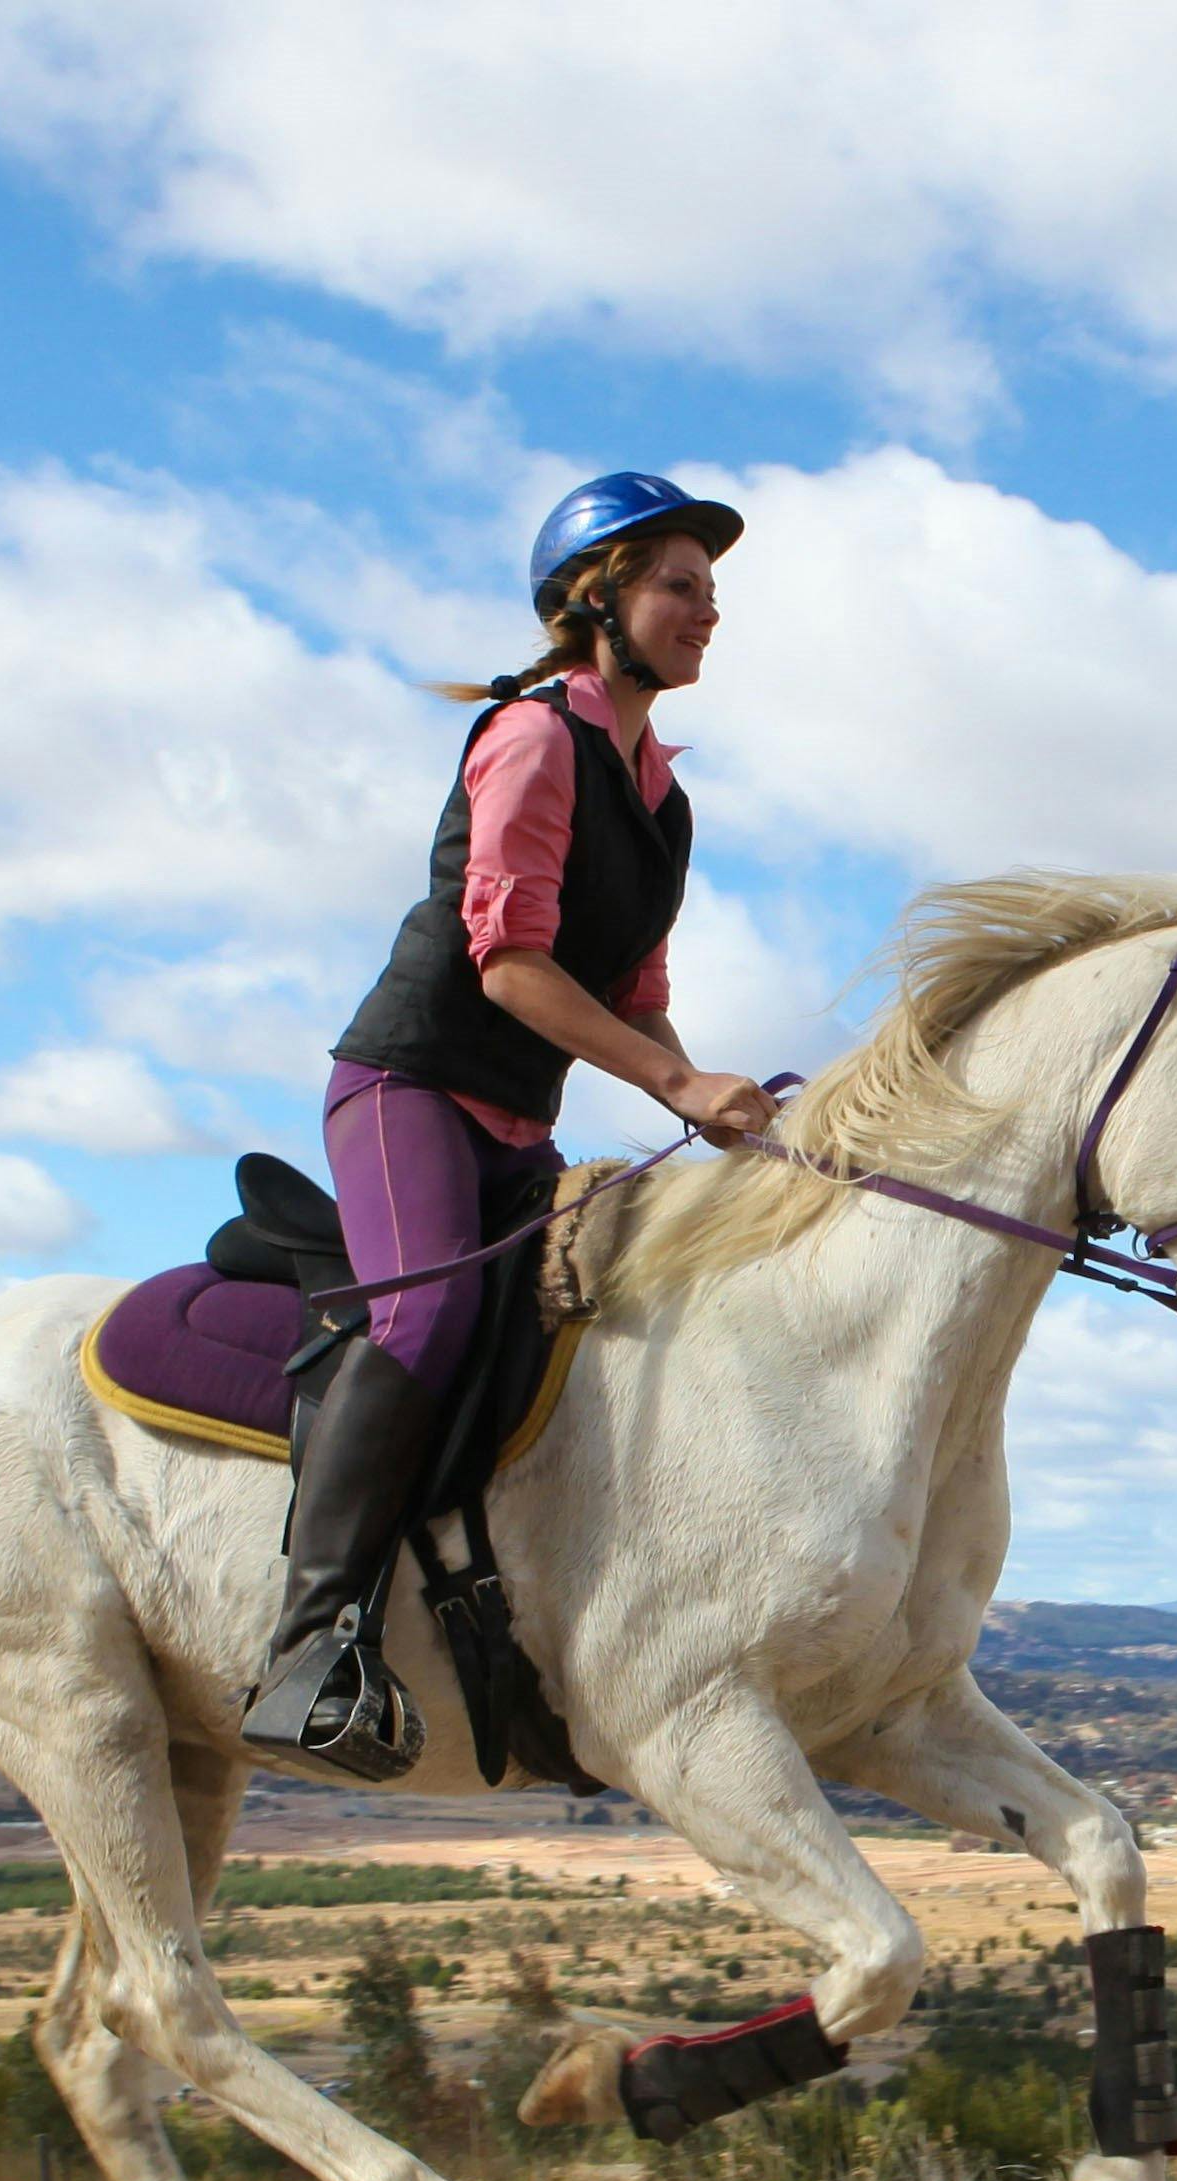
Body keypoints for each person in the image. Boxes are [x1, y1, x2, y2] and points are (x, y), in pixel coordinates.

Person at [241, 472, 779, 1776]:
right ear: (596, 599)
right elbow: (511, 969)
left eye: (712, 593)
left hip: (513, 1121)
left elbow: (636, 994)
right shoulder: (534, 738)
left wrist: (724, 1107)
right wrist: (674, 1087)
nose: (708, 613)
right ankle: (309, 1646)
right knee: (429, 1313)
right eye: (679, 587)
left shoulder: (665, 798)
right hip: (409, 1088)